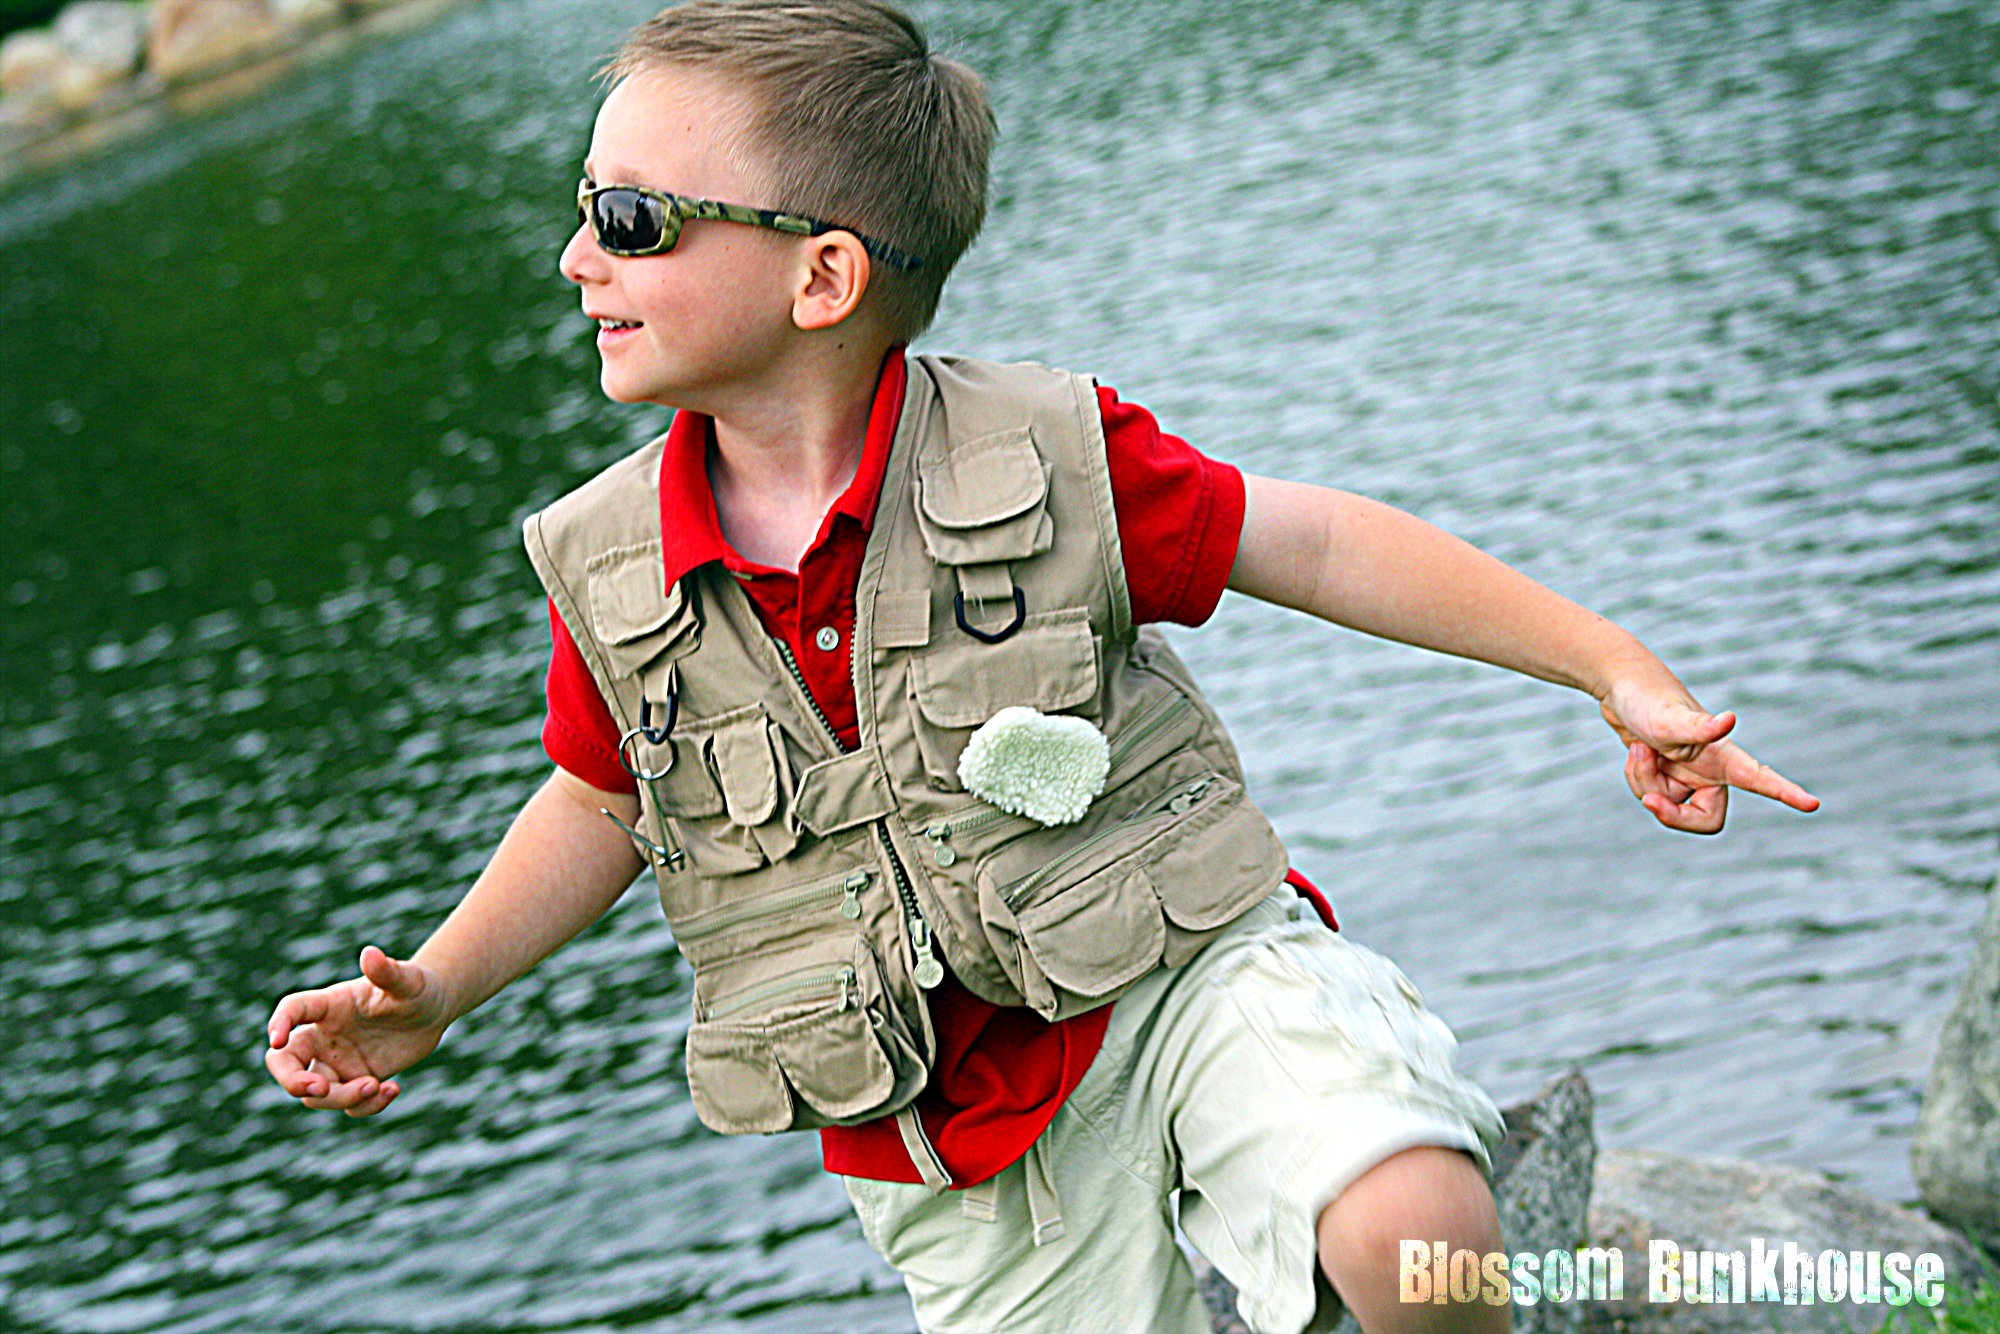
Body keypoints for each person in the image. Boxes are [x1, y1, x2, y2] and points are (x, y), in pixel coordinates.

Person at [261, 3, 1820, 1330]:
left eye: (631, 221)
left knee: (1420, 1232)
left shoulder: (1049, 454)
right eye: (587, 208)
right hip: (947, 1145)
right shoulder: (613, 568)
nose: (574, 258)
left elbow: (1318, 544)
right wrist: (441, 986)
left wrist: (1610, 667)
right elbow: (603, 802)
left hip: (1188, 975)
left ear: (823, 277)